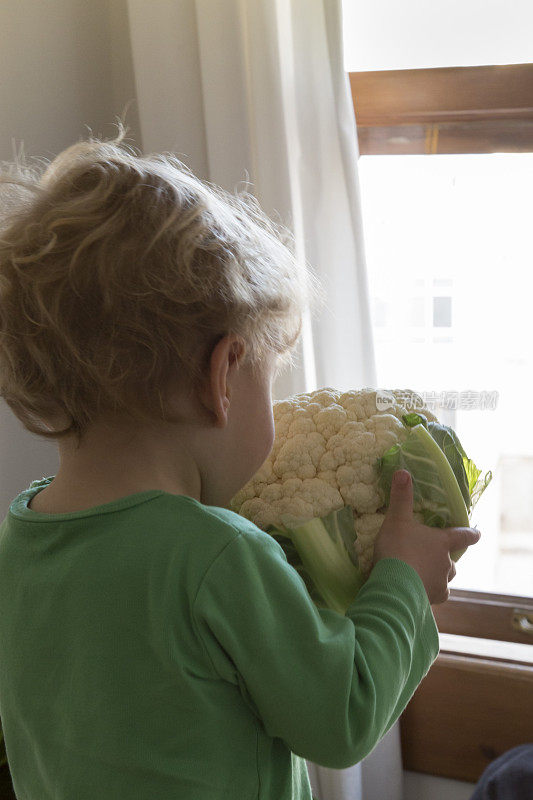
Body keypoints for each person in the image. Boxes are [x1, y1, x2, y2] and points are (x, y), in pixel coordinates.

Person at [0, 124, 481, 800]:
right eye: (269, 378)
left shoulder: (21, 538)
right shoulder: (215, 554)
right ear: (223, 375)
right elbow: (342, 718)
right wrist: (402, 577)